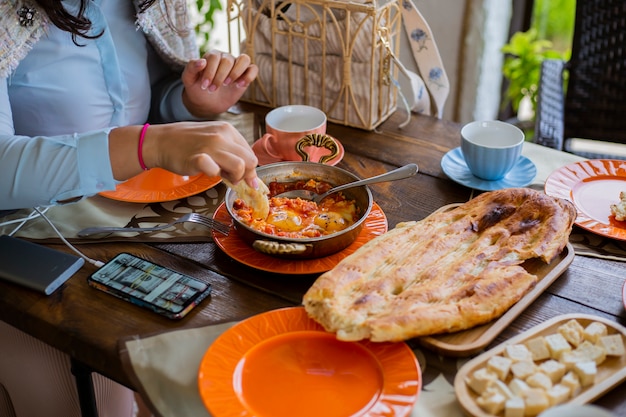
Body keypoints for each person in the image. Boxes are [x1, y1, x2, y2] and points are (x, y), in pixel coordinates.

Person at [0, 0, 260, 415]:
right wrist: (149, 144)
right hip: (32, 245)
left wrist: (191, 104)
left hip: (137, 224)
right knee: (107, 395)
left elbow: (154, 98)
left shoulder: (148, 3)